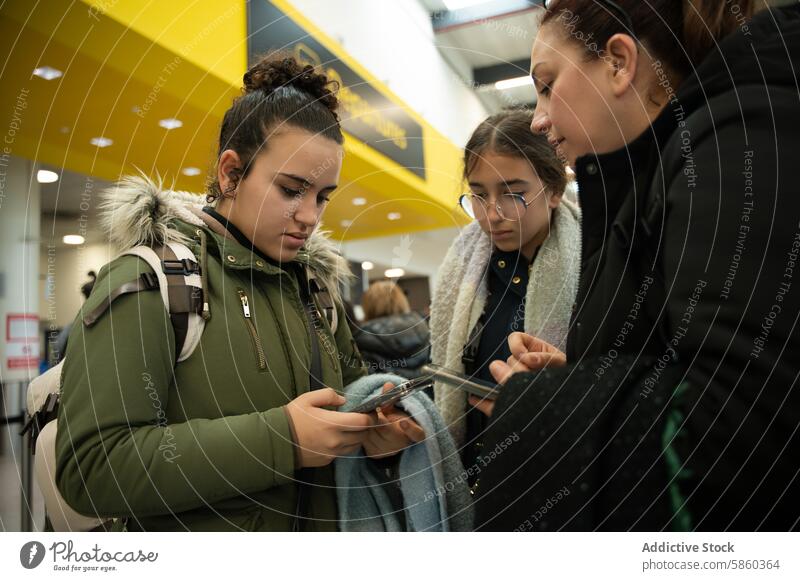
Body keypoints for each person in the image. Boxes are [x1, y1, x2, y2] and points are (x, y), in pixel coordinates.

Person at [55, 54, 422, 531]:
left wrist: (378, 426)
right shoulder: (150, 282)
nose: (310, 216)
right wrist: (281, 439)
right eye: (292, 190)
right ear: (230, 173)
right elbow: (92, 467)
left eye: (323, 196)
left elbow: (350, 398)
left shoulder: (315, 292)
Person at [475, 0, 800, 531]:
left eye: (546, 84)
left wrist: (549, 410)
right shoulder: (658, 179)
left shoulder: (734, 140)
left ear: (620, 62)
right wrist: (578, 376)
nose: (538, 119)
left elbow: (745, 429)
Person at [429, 109, 581, 486]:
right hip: (474, 485)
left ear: (556, 189)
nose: (492, 214)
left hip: (561, 483)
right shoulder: (465, 271)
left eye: (513, 194)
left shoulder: (596, 268)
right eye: (479, 196)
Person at [353, 280, 431, 380]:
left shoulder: (363, 338)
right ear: (402, 300)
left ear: (367, 305)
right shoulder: (423, 327)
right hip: (426, 394)